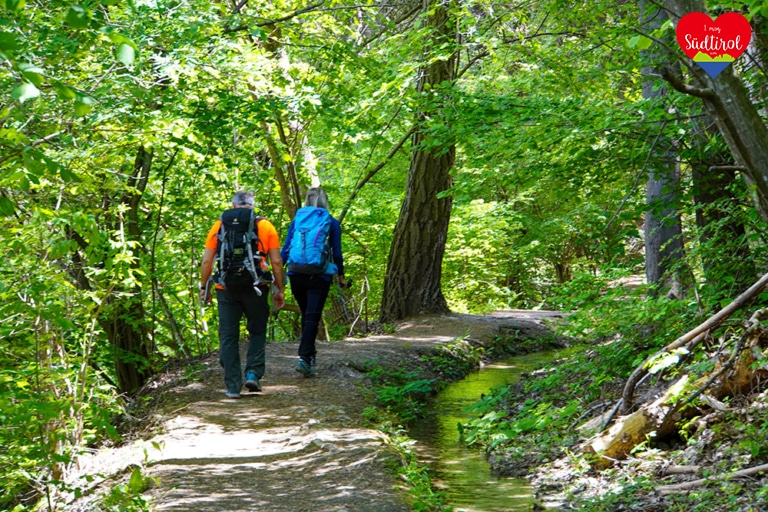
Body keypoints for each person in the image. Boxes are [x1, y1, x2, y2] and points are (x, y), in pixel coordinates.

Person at [199, 191, 285, 398]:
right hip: (257, 287)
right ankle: (253, 373)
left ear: (233, 205)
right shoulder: (265, 226)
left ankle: (232, 387)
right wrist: (279, 289)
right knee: (257, 331)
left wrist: (204, 287)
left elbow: (206, 262)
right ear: (252, 205)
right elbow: (276, 262)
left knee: (228, 336)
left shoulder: (219, 226)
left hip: (226, 288)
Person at [281, 187, 347, 377]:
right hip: (319, 275)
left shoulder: (297, 220)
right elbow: (337, 253)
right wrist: (341, 276)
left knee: (306, 314)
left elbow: (286, 249)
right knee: (312, 316)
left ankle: (309, 353)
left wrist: (278, 275)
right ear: (325, 201)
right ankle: (304, 358)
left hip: (296, 272)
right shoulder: (331, 222)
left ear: (307, 201)